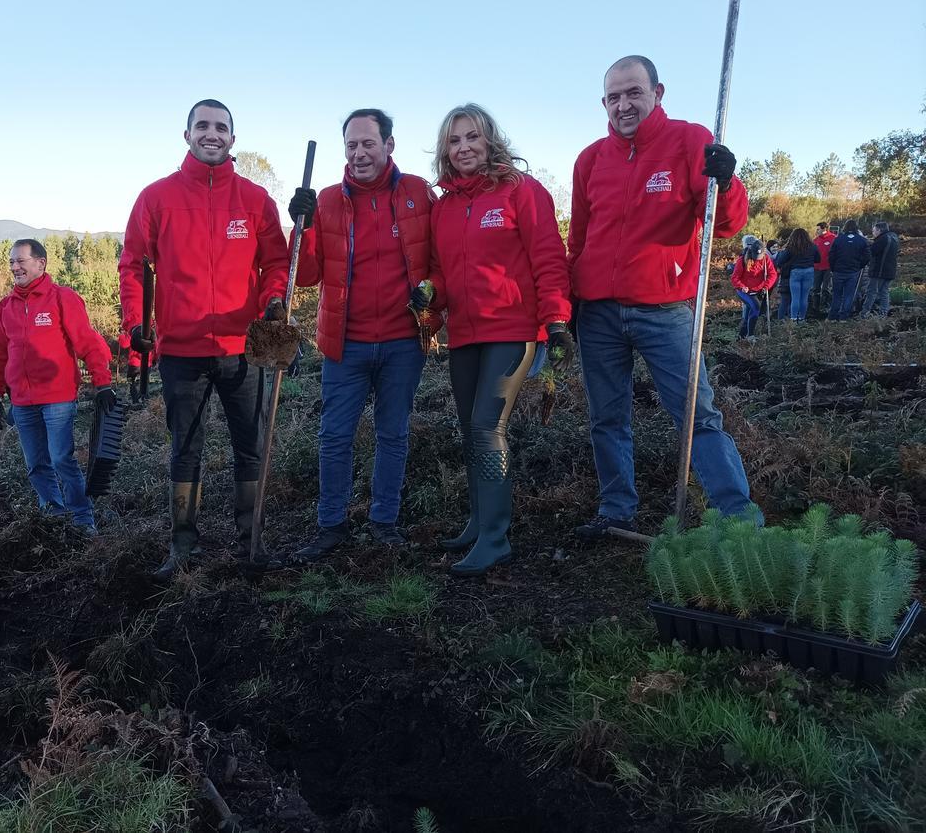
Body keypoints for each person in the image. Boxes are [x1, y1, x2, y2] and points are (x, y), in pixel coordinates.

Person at [568, 55, 758, 538]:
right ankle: (616, 511)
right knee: (606, 418)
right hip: (598, 313)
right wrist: (570, 299)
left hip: (665, 309)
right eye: (614, 97)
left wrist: (726, 180)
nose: (623, 104)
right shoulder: (590, 159)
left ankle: (738, 521)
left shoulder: (691, 141)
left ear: (658, 92)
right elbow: (581, 239)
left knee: (697, 413)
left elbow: (730, 221)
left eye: (633, 92)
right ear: (603, 103)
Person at [120, 99, 289, 581]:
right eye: (202, 126)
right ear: (187, 133)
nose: (211, 134)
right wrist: (137, 324)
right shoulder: (156, 198)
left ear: (233, 138)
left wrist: (273, 298)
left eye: (221, 127)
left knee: (251, 446)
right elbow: (132, 265)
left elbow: (277, 263)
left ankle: (250, 541)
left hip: (244, 347)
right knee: (185, 449)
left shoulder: (256, 200)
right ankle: (182, 546)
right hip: (180, 351)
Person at [283, 109, 441, 563]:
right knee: (334, 436)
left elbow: (438, 261)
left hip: (402, 341)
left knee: (392, 434)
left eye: (367, 143)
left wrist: (434, 298)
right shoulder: (328, 200)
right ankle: (331, 525)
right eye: (351, 145)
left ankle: (384, 523)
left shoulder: (417, 194)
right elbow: (308, 275)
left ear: (389, 145)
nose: (358, 153)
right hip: (344, 343)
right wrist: (303, 225)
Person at [429, 104, 573, 576]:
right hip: (463, 333)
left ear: (489, 140)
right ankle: (478, 521)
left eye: (472, 137)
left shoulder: (521, 192)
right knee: (470, 427)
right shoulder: (444, 207)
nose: (464, 147)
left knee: (488, 427)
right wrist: (430, 298)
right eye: (455, 140)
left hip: (512, 331)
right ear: (445, 150)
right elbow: (444, 275)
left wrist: (555, 320)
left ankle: (496, 537)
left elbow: (548, 256)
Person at [0, 238, 115, 533]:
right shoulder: (6, 306)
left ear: (41, 263)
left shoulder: (62, 298)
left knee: (60, 459)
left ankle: (83, 520)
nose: (15, 267)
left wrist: (102, 382)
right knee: (36, 465)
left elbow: (87, 342)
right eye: (11, 262)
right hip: (21, 401)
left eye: (21, 261)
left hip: (57, 396)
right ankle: (55, 519)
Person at [732, 235, 778, 336]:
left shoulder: (765, 259)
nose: (758, 259)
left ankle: (741, 336)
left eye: (760, 257)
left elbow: (772, 274)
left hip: (758, 289)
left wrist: (766, 287)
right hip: (744, 290)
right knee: (755, 307)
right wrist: (742, 286)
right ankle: (750, 335)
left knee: (750, 311)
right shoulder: (742, 260)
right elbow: (735, 278)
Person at [827, 219, 870, 320]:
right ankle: (843, 317)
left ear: (845, 227)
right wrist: (860, 266)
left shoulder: (838, 239)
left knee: (837, 295)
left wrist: (833, 268)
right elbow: (867, 256)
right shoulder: (862, 240)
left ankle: (833, 316)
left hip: (838, 271)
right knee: (848, 295)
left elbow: (831, 255)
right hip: (853, 271)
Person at [774, 228, 820, 322]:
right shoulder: (813, 246)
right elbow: (818, 259)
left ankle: (794, 319)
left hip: (795, 272)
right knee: (804, 297)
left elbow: (780, 260)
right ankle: (802, 318)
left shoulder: (791, 247)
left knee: (795, 298)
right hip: (809, 271)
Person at [861, 221, 900, 317]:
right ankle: (883, 313)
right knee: (884, 292)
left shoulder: (882, 239)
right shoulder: (894, 237)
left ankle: (864, 313)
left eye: (874, 231)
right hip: (890, 271)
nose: (873, 233)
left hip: (879, 271)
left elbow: (872, 252)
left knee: (871, 292)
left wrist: (865, 242)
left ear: (879, 230)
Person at [810, 222, 835, 314]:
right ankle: (815, 307)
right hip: (817, 268)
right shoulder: (815, 240)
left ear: (824, 229)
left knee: (826, 288)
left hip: (828, 268)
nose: (816, 231)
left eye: (818, 229)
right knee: (815, 288)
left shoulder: (833, 238)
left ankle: (825, 306)